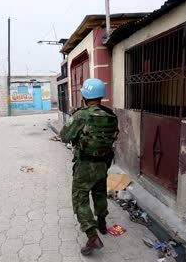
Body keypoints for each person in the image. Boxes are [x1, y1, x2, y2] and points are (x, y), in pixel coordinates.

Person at [60, 78, 119, 255]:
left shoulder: (81, 115)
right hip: (103, 163)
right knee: (100, 192)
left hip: (85, 165)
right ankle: (102, 223)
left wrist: (74, 118)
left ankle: (92, 236)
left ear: (85, 95)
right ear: (101, 95)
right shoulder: (111, 115)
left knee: (80, 198)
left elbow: (64, 136)